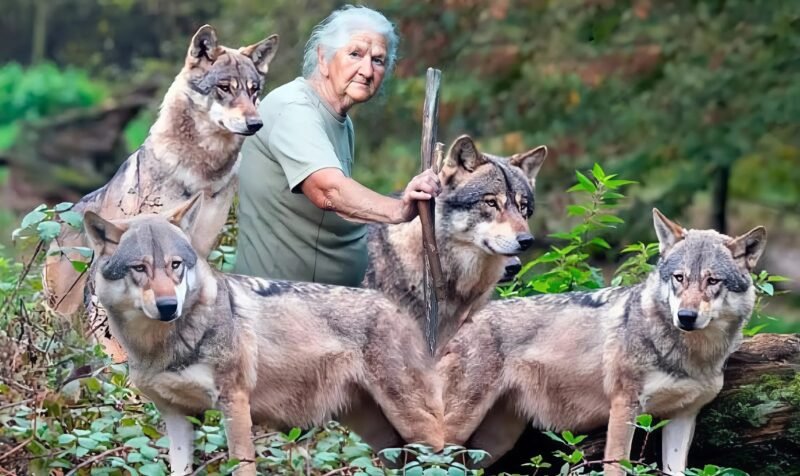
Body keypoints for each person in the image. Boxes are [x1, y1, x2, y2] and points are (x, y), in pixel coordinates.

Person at [235, 5, 440, 287]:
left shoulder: (340, 120)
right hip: (282, 306)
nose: (367, 70)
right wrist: (399, 210)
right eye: (355, 54)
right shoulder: (293, 108)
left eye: (378, 60)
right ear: (323, 57)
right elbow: (328, 190)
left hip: (322, 304)